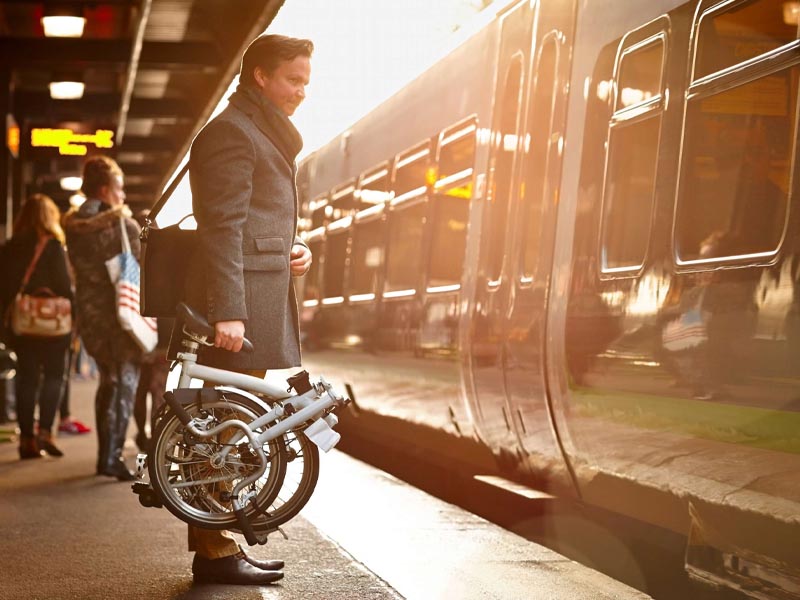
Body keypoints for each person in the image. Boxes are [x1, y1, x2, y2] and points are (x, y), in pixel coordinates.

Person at [182, 33, 313, 586]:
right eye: (293, 79)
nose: (301, 91)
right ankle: (213, 552)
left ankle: (218, 545)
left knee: (234, 428)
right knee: (224, 429)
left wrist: (292, 250)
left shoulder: (257, 129)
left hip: (258, 295)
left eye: (306, 81)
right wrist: (227, 312)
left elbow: (258, 221)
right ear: (260, 75)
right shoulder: (233, 132)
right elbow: (222, 227)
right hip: (239, 311)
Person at [63, 156, 142, 481]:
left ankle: (103, 455)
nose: (123, 196)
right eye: (120, 188)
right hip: (120, 316)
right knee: (126, 382)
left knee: (107, 379)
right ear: (106, 189)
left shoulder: (72, 226)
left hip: (90, 317)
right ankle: (112, 457)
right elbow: (138, 271)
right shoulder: (124, 225)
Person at [0, 194, 73, 459]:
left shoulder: (10, 247)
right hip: (53, 325)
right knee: (54, 376)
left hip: (22, 323)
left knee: (26, 378)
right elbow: (65, 286)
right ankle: (45, 432)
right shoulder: (53, 247)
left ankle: (26, 441)